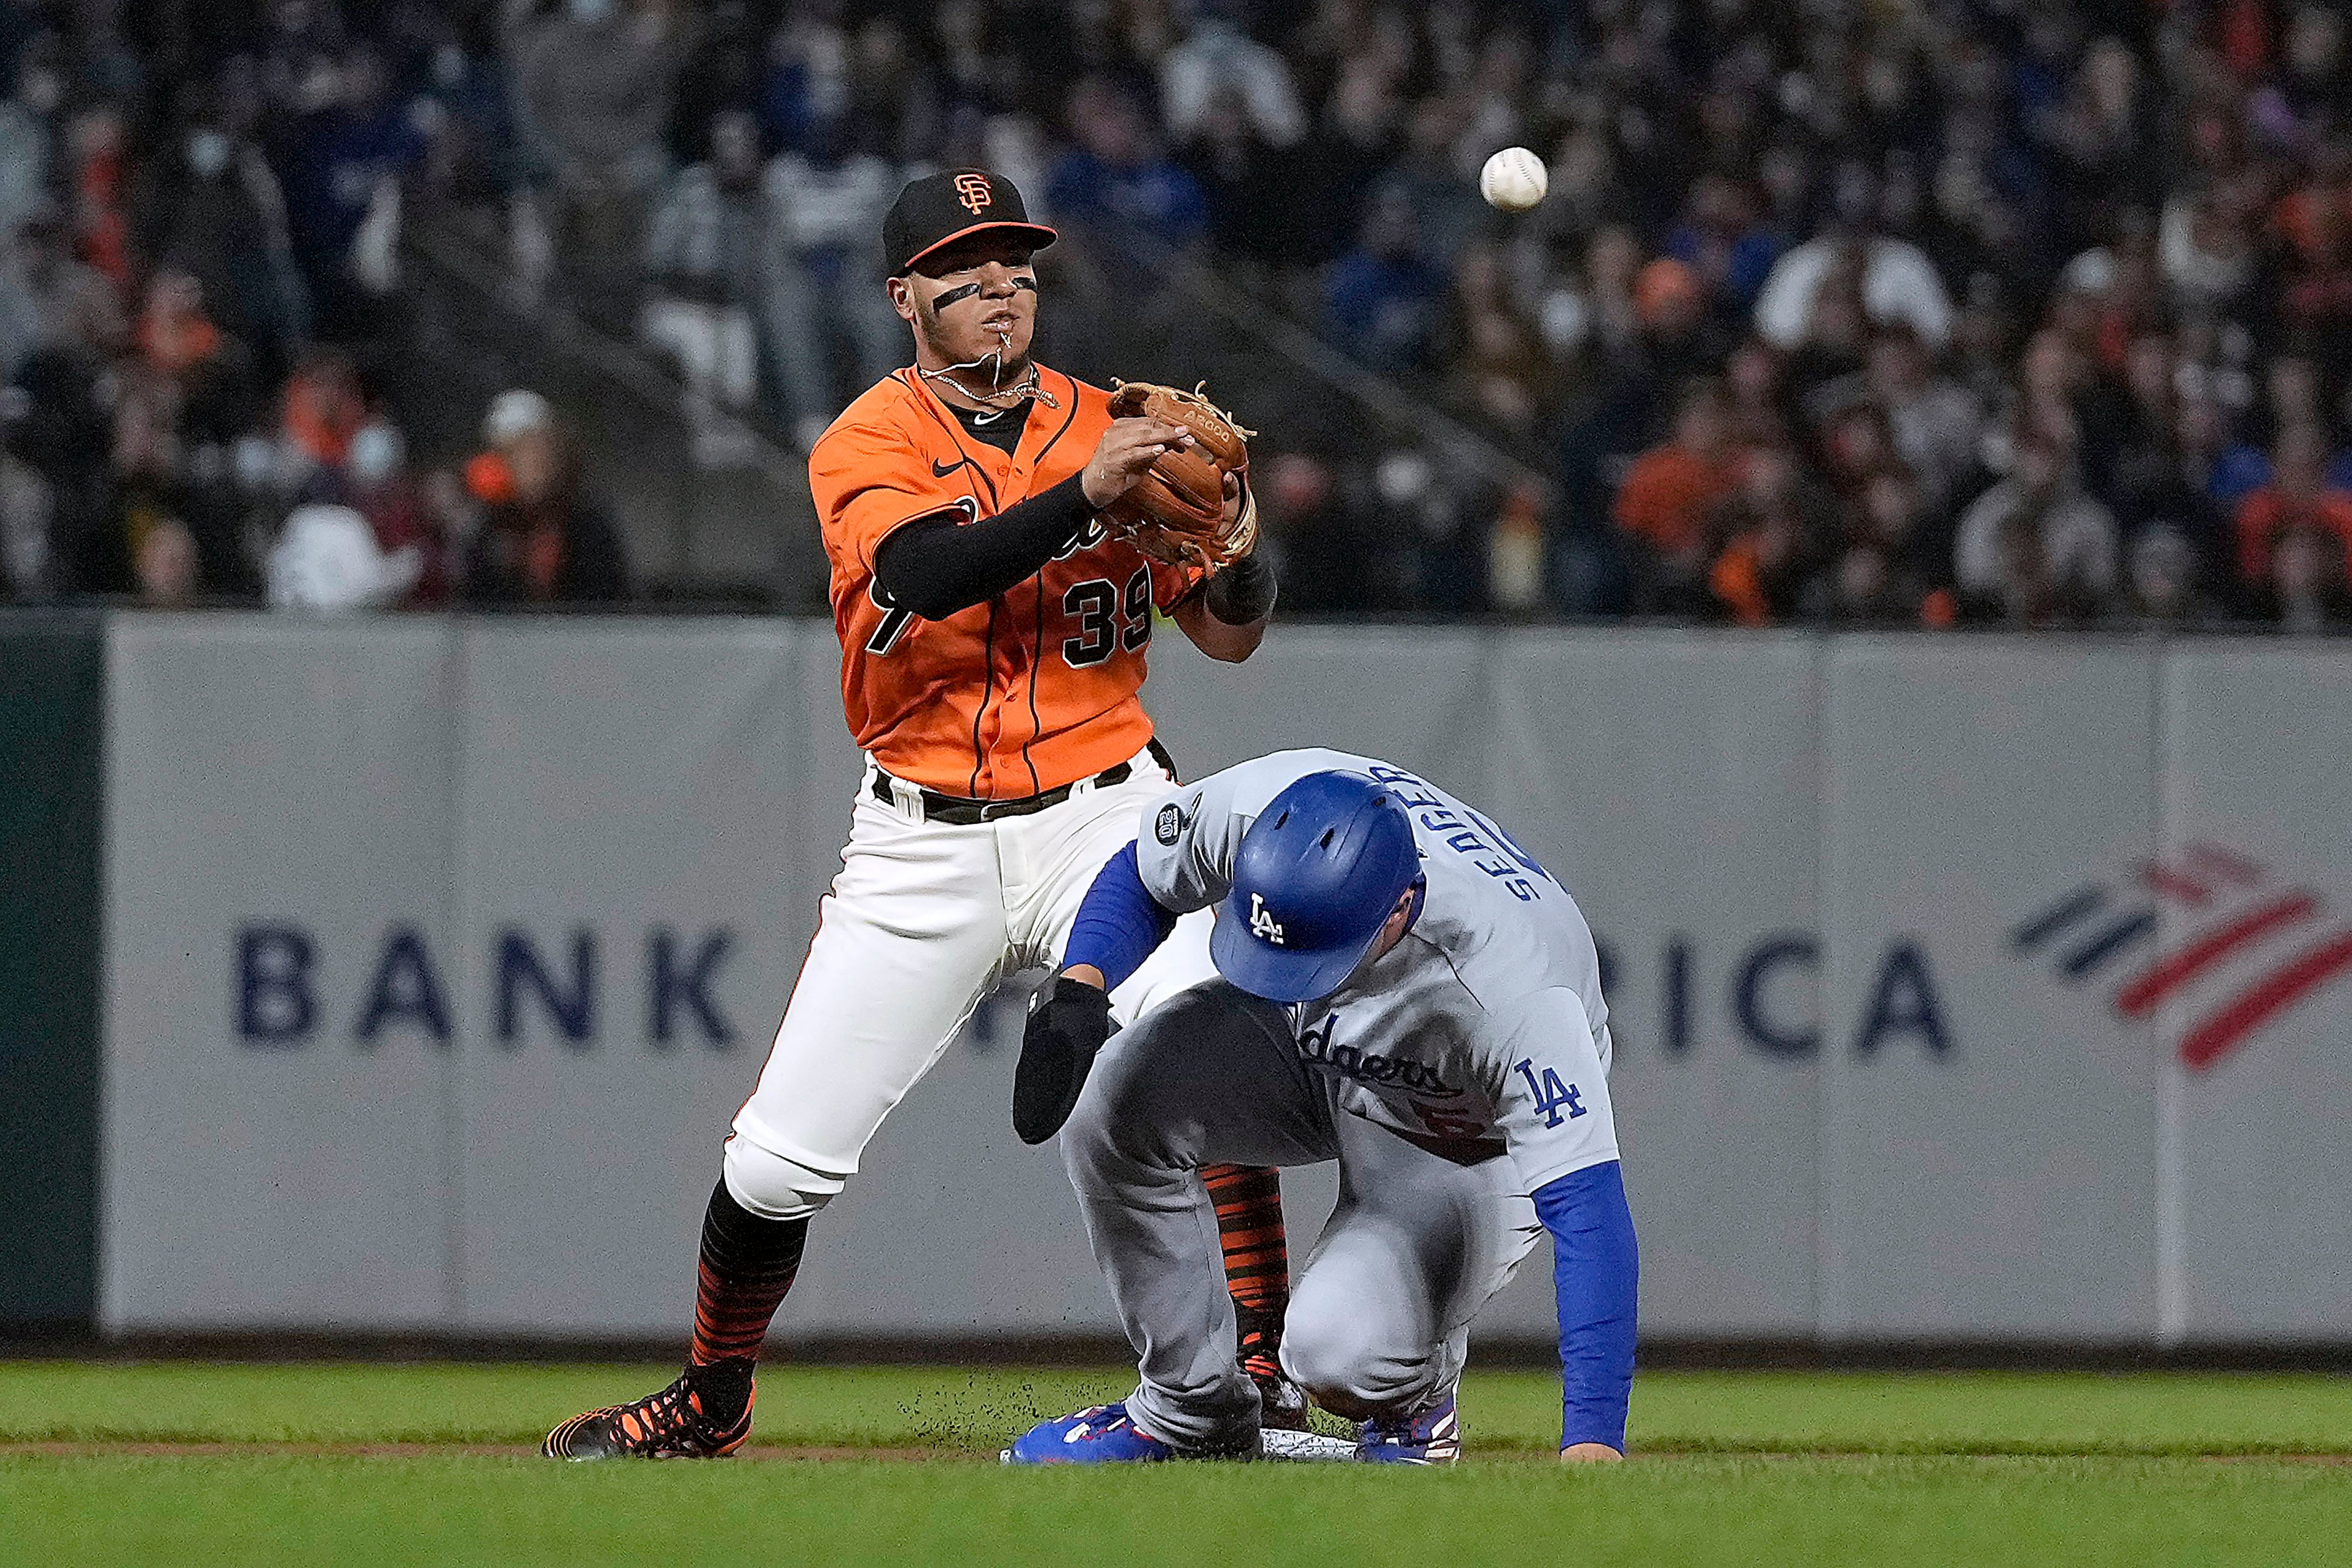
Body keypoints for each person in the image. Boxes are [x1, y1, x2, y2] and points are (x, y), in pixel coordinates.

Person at [542, 167, 1285, 1460]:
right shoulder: (866, 442)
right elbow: (924, 573)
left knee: (1196, 1055)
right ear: (905, 298)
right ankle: (713, 1401)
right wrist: (1087, 499)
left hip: (1106, 813)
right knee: (775, 1165)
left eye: (1016, 263)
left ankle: (1263, 1371)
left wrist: (1237, 544)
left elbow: (1226, 639)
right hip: (918, 838)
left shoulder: (1116, 423)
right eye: (965, 266)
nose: (999, 284)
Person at [1004, 753, 1637, 1465]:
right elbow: (1146, 872)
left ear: (1401, 909)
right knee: (1110, 1099)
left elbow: (1591, 1213)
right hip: (1311, 1044)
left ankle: (1414, 1403)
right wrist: (1083, 984)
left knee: (1333, 1349)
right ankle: (1189, 1411)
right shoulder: (1261, 807)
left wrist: (1593, 1438)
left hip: (1456, 1134)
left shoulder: (1515, 989)